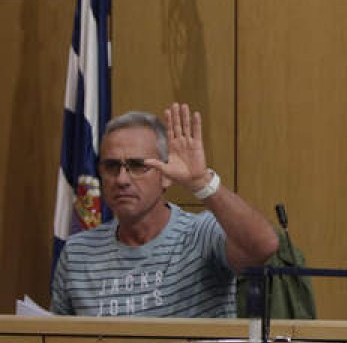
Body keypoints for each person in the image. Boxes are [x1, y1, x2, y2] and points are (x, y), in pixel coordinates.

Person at [51, 103, 280, 317]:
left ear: (166, 176)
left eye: (137, 166)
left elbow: (264, 246)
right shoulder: (77, 253)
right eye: (111, 166)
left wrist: (202, 182)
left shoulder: (199, 235)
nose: (122, 179)